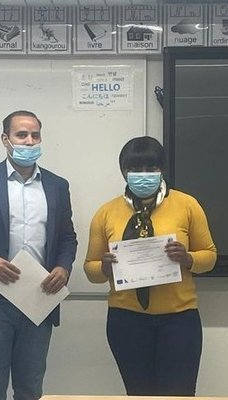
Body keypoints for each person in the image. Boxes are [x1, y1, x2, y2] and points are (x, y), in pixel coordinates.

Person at [84, 136, 217, 396]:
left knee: (179, 393)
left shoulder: (187, 205)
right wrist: (105, 268)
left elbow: (210, 256)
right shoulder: (106, 212)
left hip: (179, 319)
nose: (143, 175)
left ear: (162, 169)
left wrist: (188, 258)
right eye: (136, 169)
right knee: (138, 393)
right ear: (123, 171)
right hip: (126, 320)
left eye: (151, 168)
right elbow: (90, 268)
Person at [0, 110, 77, 400]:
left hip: (39, 297)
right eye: (21, 135)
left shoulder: (57, 185)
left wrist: (63, 268)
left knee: (30, 387)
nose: (29, 141)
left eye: (35, 135)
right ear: (5, 139)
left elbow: (67, 238)